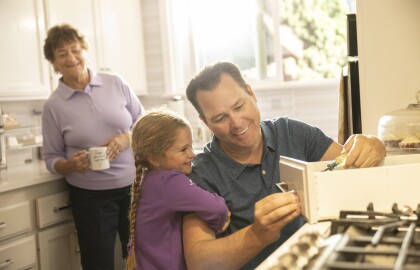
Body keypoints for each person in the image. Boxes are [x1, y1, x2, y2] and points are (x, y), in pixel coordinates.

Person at [183, 61, 387, 269]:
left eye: (239, 106)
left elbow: (349, 167)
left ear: (251, 93)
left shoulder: (292, 133)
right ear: (205, 122)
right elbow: (198, 262)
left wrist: (373, 146)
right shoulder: (200, 174)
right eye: (220, 118)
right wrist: (256, 235)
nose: (236, 123)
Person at [41, 24, 144, 270]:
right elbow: (51, 157)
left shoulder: (115, 83)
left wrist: (126, 138)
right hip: (90, 199)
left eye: (75, 49)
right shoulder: (54, 106)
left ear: (85, 50)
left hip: (135, 189)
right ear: (54, 62)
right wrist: (69, 165)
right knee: (98, 263)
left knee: (143, 257)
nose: (71, 57)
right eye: (62, 53)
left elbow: (144, 122)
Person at [125, 108, 230, 270]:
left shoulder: (148, 177)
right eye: (183, 149)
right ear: (155, 158)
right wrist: (221, 219)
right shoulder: (169, 181)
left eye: (191, 146)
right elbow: (218, 209)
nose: (192, 154)